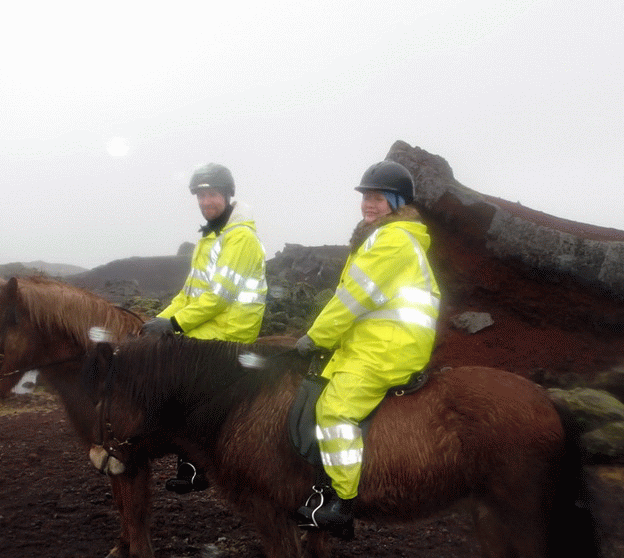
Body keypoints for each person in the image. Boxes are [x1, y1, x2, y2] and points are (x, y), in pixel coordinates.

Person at [294, 160, 440, 538]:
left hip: (390, 347)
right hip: (373, 341)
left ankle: (344, 503)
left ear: (395, 201)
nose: (368, 205)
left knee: (334, 411)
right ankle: (321, 486)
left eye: (377, 198)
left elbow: (354, 298)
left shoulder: (393, 240)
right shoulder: (381, 237)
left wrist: (317, 336)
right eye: (366, 198)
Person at [142, 163, 268, 492]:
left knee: (182, 385)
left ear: (227, 195)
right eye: (200, 194)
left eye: (211, 194)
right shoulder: (210, 238)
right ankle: (190, 461)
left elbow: (219, 298)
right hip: (209, 323)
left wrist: (173, 324)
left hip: (231, 329)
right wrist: (157, 323)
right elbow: (189, 294)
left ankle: (198, 465)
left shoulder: (240, 239)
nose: (205, 201)